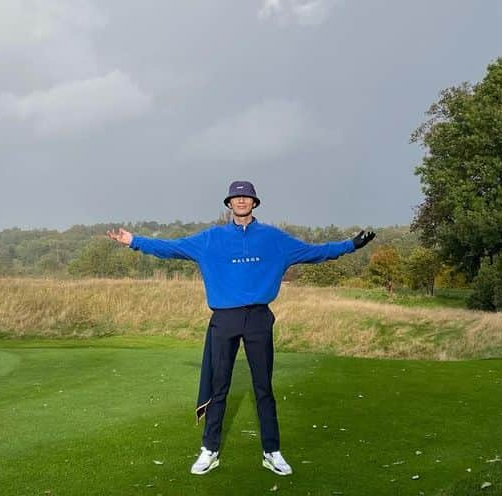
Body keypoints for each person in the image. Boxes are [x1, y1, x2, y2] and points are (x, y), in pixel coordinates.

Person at [106, 180, 375, 477]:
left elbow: (315, 252)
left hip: (259, 318)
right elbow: (170, 248)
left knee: (264, 388)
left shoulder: (274, 239)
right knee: (218, 387)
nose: (242, 202)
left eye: (246, 197)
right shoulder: (210, 239)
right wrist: (134, 241)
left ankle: (271, 452)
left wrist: (351, 245)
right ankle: (210, 450)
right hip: (224, 319)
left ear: (254, 203)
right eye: (236, 198)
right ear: (229, 204)